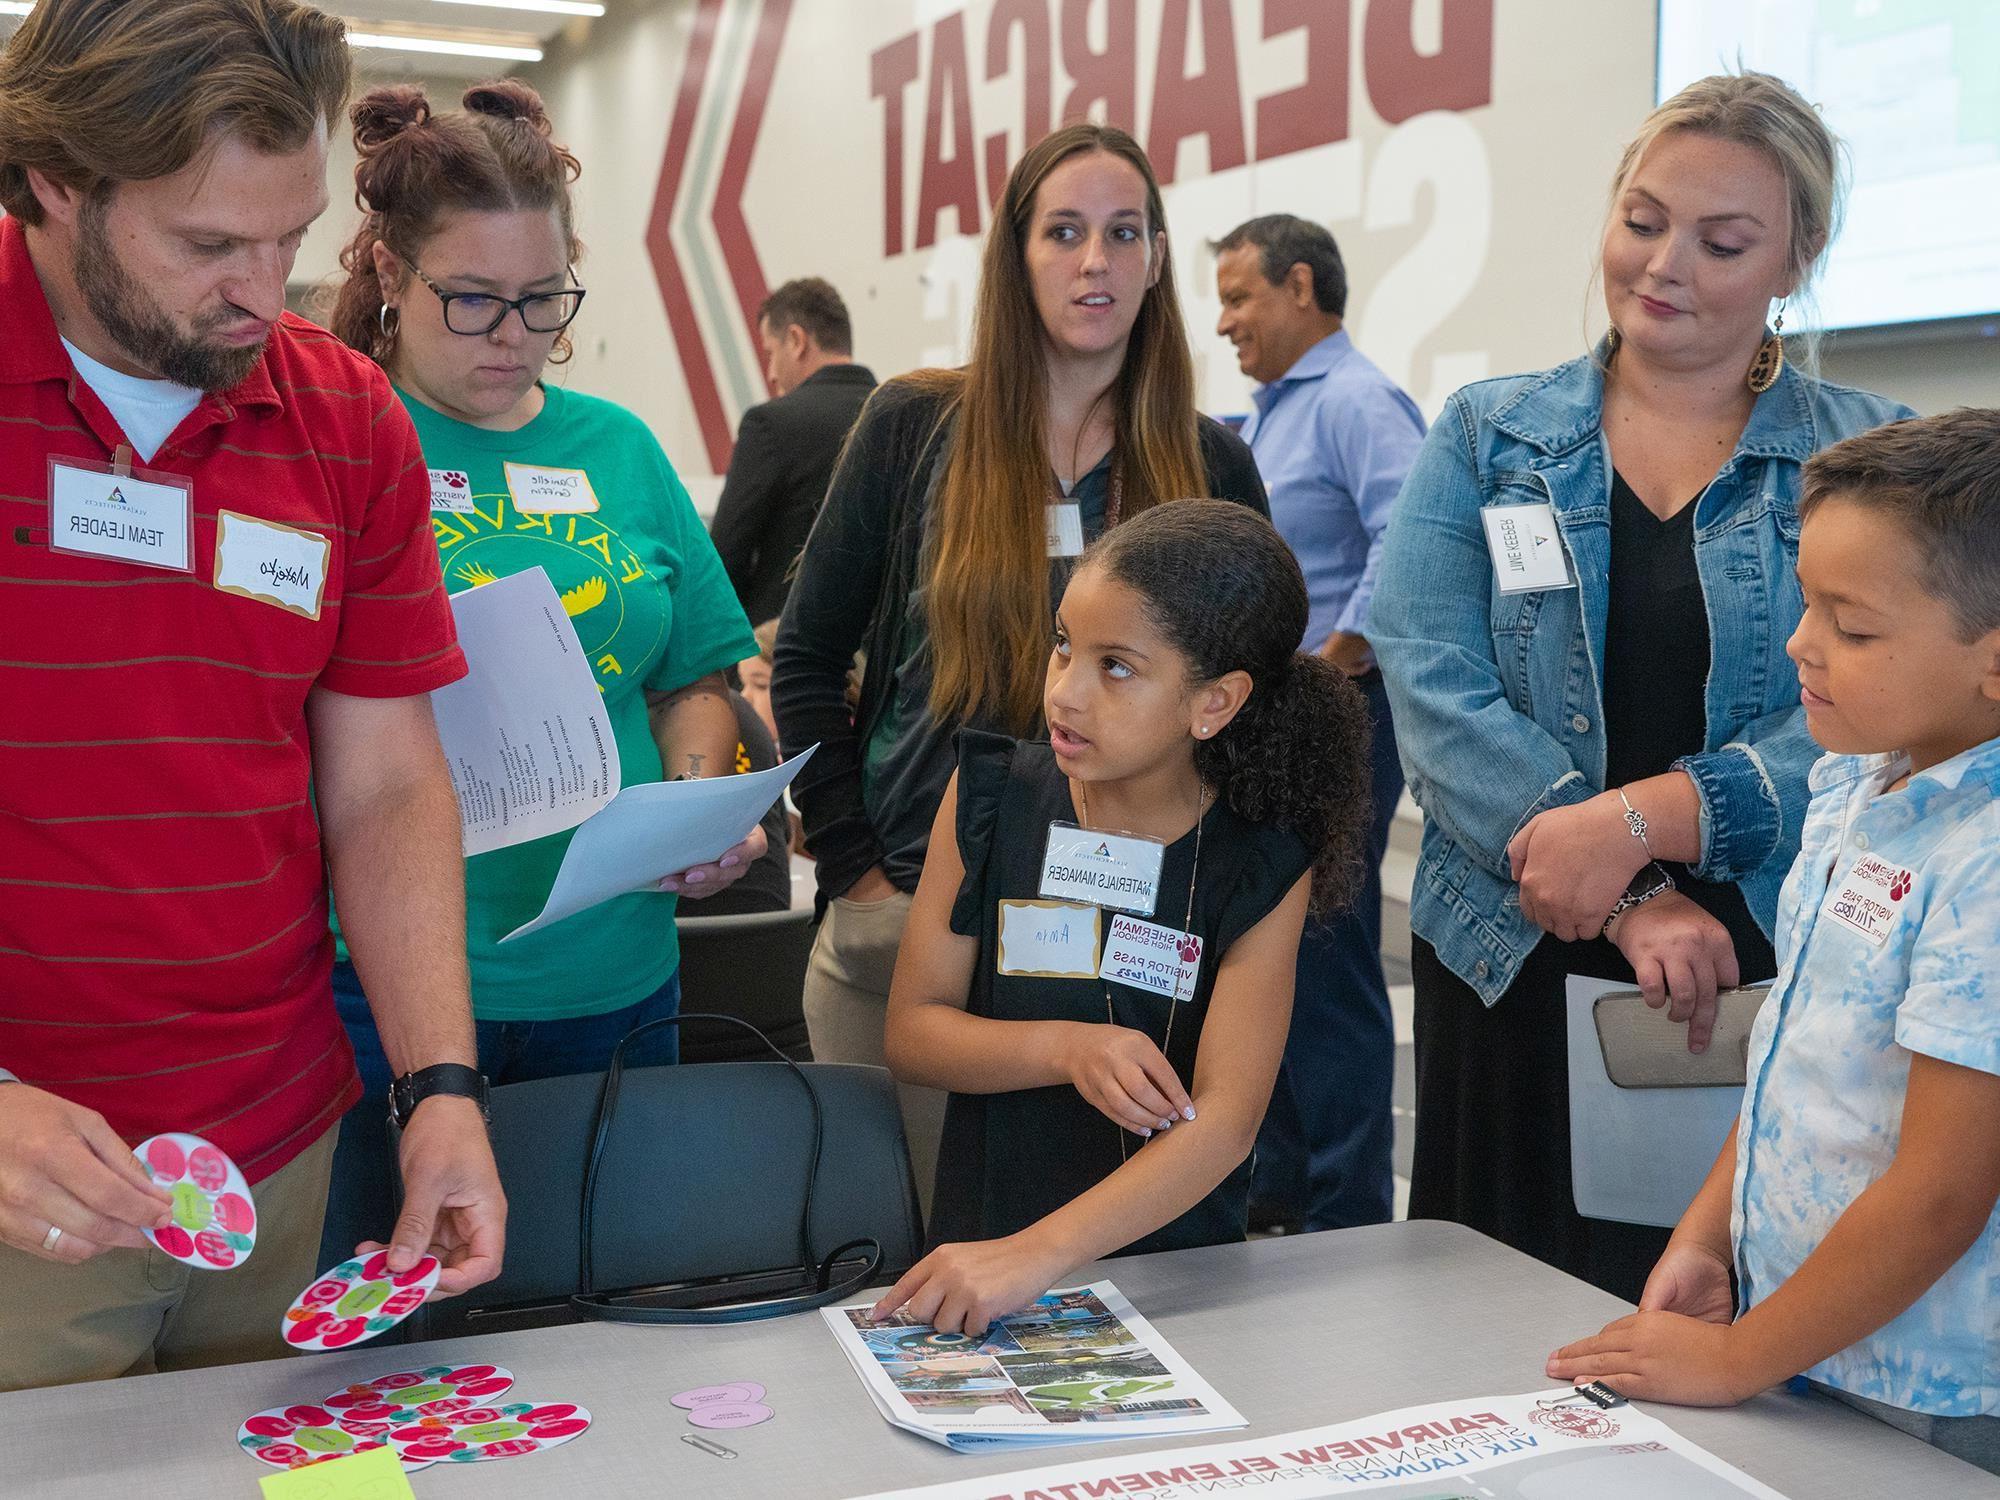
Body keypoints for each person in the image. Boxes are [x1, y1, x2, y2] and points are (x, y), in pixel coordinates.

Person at [0, 0, 503, 1389]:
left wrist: (440, 1087)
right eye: (211, 245)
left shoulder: (342, 416)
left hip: (275, 1148)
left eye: (289, 239)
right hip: (26, 1173)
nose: (262, 293)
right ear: (56, 183)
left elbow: (388, 779)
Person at [1368, 71, 1911, 1300]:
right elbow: (1429, 671)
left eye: (1721, 242)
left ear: (1794, 258)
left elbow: (1884, 709)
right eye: (1641, 219)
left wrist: (1646, 826)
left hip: (1754, 951)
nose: (1662, 264)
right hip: (1513, 936)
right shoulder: (1486, 434)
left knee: (1725, 1320)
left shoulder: (1863, 459)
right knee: (1489, 1319)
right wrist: (1620, 894)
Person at [772, 123, 1268, 1210]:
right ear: (1015, 254)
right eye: (1064, 231)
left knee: (1087, 1281)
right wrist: (857, 870)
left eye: (1123, 232)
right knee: (892, 1263)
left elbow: (1247, 707)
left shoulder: (1208, 463)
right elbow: (806, 657)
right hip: (907, 921)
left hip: (1128, 935)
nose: (1096, 260)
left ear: (1155, 257)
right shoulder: (910, 428)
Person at [316, 79, 761, 1266]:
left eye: (540, 299)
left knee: (598, 1301)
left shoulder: (615, 446)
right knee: (389, 1333)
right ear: (392, 276)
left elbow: (694, 674)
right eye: (471, 301)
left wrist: (692, 802)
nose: (514, 335)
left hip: (611, 971)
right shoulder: (341, 437)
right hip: (388, 990)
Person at [1548, 409, 2000, 1477]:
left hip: (1925, 1385)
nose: (1801, 645)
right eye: (1806, 605)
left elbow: (1941, 1187)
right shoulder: (1854, 780)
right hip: (1803, 1338)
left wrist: (1736, 1359)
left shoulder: (1981, 863)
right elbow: (1795, 1061)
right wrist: (1710, 1238)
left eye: (1850, 626)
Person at [871, 502, 1371, 1333]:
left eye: (1118, 668)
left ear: (1214, 702)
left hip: (1174, 1284)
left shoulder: (1261, 859)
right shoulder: (993, 798)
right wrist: (1071, 1047)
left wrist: (1042, 1253)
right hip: (982, 1265)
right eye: (1065, 644)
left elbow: (1226, 1123)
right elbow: (913, 1032)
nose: (1065, 691)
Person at [1214, 213, 1425, 1233]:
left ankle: (1345, 1210)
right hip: (1276, 726)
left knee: (1330, 957)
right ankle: (1279, 1192)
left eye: (1238, 296)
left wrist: (1336, 662)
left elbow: (1410, 532)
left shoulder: (1352, 399)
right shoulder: (1262, 419)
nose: (1223, 322)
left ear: (1299, 287)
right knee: (1271, 952)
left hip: (1338, 716)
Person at [709, 278, 877, 624]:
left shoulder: (771, 424)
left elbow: (726, 556)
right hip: (881, 658)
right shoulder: (902, 414)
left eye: (770, 352)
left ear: (797, 341)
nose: (770, 374)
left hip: (784, 652)